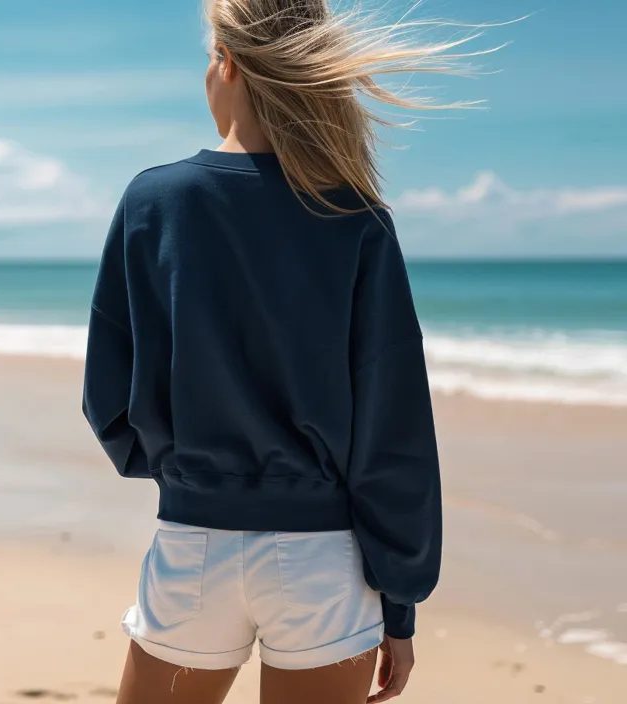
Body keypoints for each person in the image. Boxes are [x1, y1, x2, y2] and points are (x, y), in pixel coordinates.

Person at [83, 1, 476, 701]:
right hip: (324, 563)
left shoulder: (154, 202)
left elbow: (107, 396)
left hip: (192, 546)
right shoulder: (355, 218)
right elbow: (394, 433)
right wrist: (400, 603)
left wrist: (190, 471)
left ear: (227, 63)